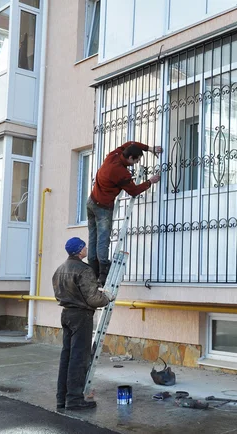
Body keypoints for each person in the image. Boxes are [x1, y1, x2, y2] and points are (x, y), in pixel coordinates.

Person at [87, 141, 162, 285]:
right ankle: (103, 274)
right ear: (130, 158)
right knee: (103, 240)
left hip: (91, 202)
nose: (137, 163)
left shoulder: (113, 155)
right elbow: (133, 191)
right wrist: (150, 182)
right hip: (102, 207)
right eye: (137, 160)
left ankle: (93, 272)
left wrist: (149, 149)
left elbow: (131, 143)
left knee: (93, 238)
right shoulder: (120, 172)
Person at [53, 237, 114, 411]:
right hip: (81, 316)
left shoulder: (60, 269)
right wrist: (107, 298)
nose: (87, 248)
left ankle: (61, 398)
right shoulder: (84, 270)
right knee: (78, 359)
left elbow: (60, 293)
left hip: (66, 314)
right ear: (80, 251)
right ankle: (74, 400)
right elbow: (94, 299)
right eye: (85, 247)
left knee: (66, 357)